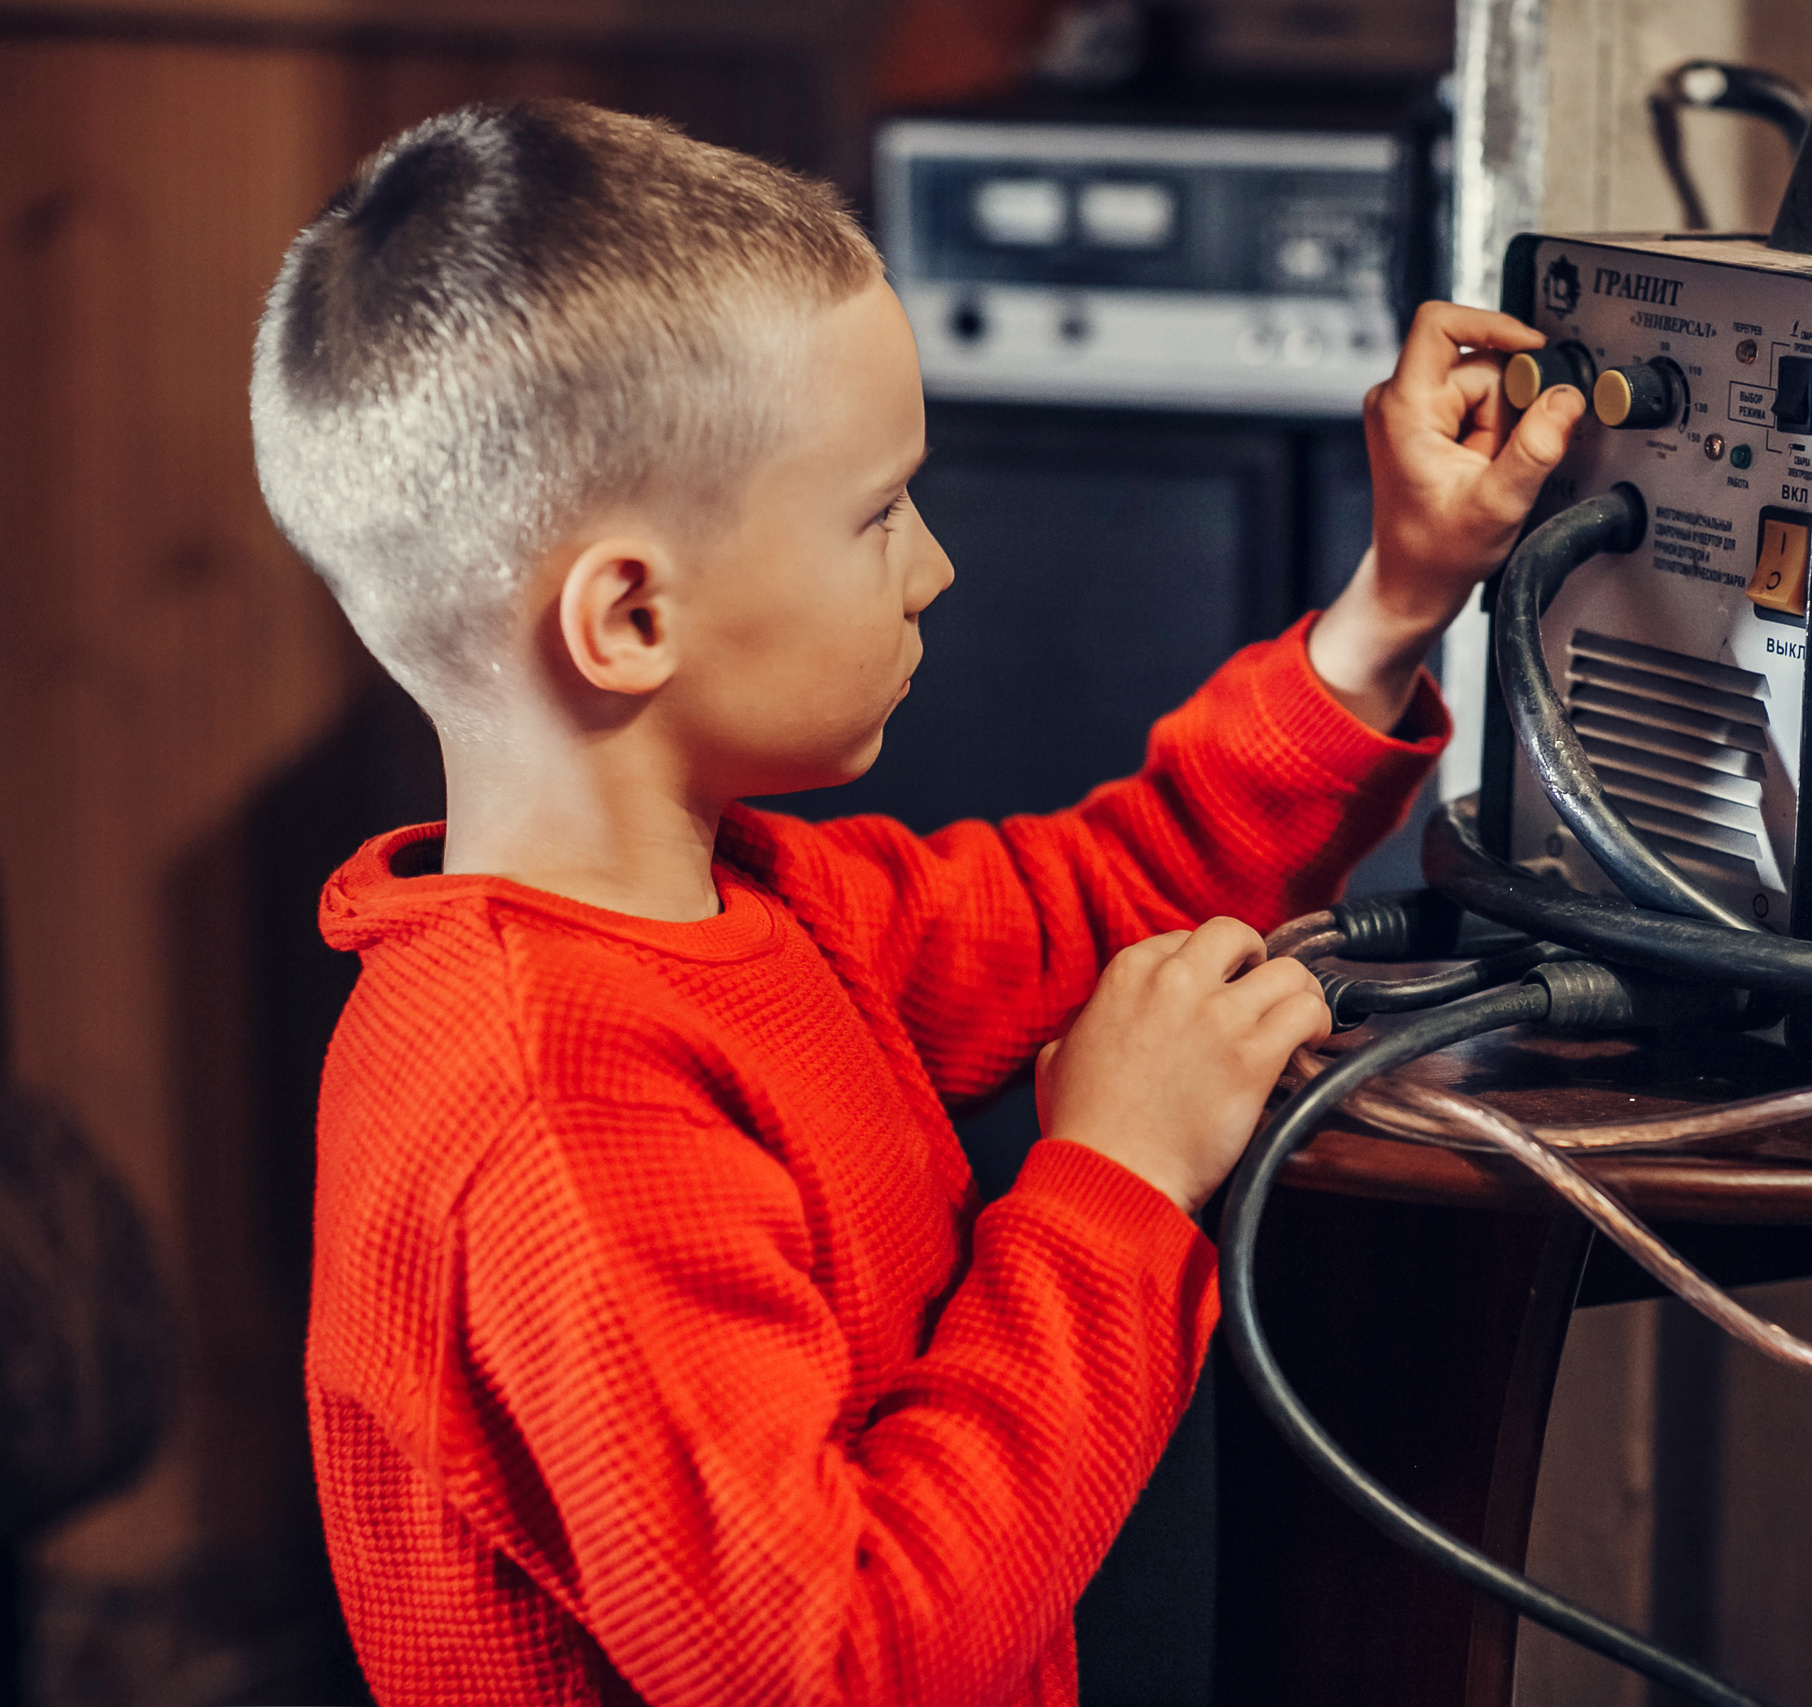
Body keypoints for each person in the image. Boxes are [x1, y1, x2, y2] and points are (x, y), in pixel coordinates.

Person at [251, 98, 1586, 1704]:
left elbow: (1101, 893)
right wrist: (1117, 1177)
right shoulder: (558, 1114)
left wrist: (1397, 602)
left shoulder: (751, 898)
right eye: (878, 512)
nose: (934, 566)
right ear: (630, 618)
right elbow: (843, 1666)